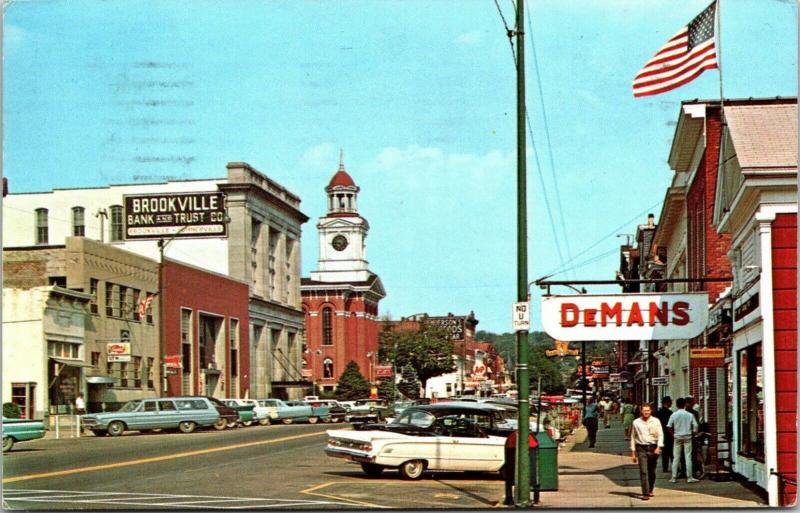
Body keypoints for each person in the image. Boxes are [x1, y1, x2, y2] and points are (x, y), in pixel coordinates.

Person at [630, 403, 663, 501]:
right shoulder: (636, 422)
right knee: (643, 471)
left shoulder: (656, 421)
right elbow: (633, 437)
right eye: (644, 411)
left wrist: (659, 447)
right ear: (641, 411)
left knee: (651, 471)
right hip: (641, 448)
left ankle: (650, 489)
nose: (646, 413)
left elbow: (661, 434)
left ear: (650, 411)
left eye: (648, 410)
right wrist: (633, 452)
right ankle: (645, 493)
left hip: (653, 448)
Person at [667, 397, 699, 483]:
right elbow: (695, 425)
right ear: (685, 404)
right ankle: (690, 477)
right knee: (688, 456)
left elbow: (669, 426)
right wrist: (694, 433)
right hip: (688, 436)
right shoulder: (689, 415)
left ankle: (673, 477)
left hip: (677, 436)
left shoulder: (674, 415)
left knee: (676, 457)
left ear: (677, 405)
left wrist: (673, 434)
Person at [503, 430, 539, 505]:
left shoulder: (512, 438)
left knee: (510, 479)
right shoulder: (528, 437)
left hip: (512, 451)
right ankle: (535, 497)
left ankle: (509, 498)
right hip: (519, 449)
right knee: (532, 478)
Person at [655, 396, 674, 473]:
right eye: (670, 402)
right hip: (668, 434)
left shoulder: (658, 413)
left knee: (664, 453)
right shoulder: (670, 413)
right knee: (671, 452)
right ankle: (674, 466)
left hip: (660, 434)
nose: (671, 403)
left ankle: (665, 467)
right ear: (667, 402)